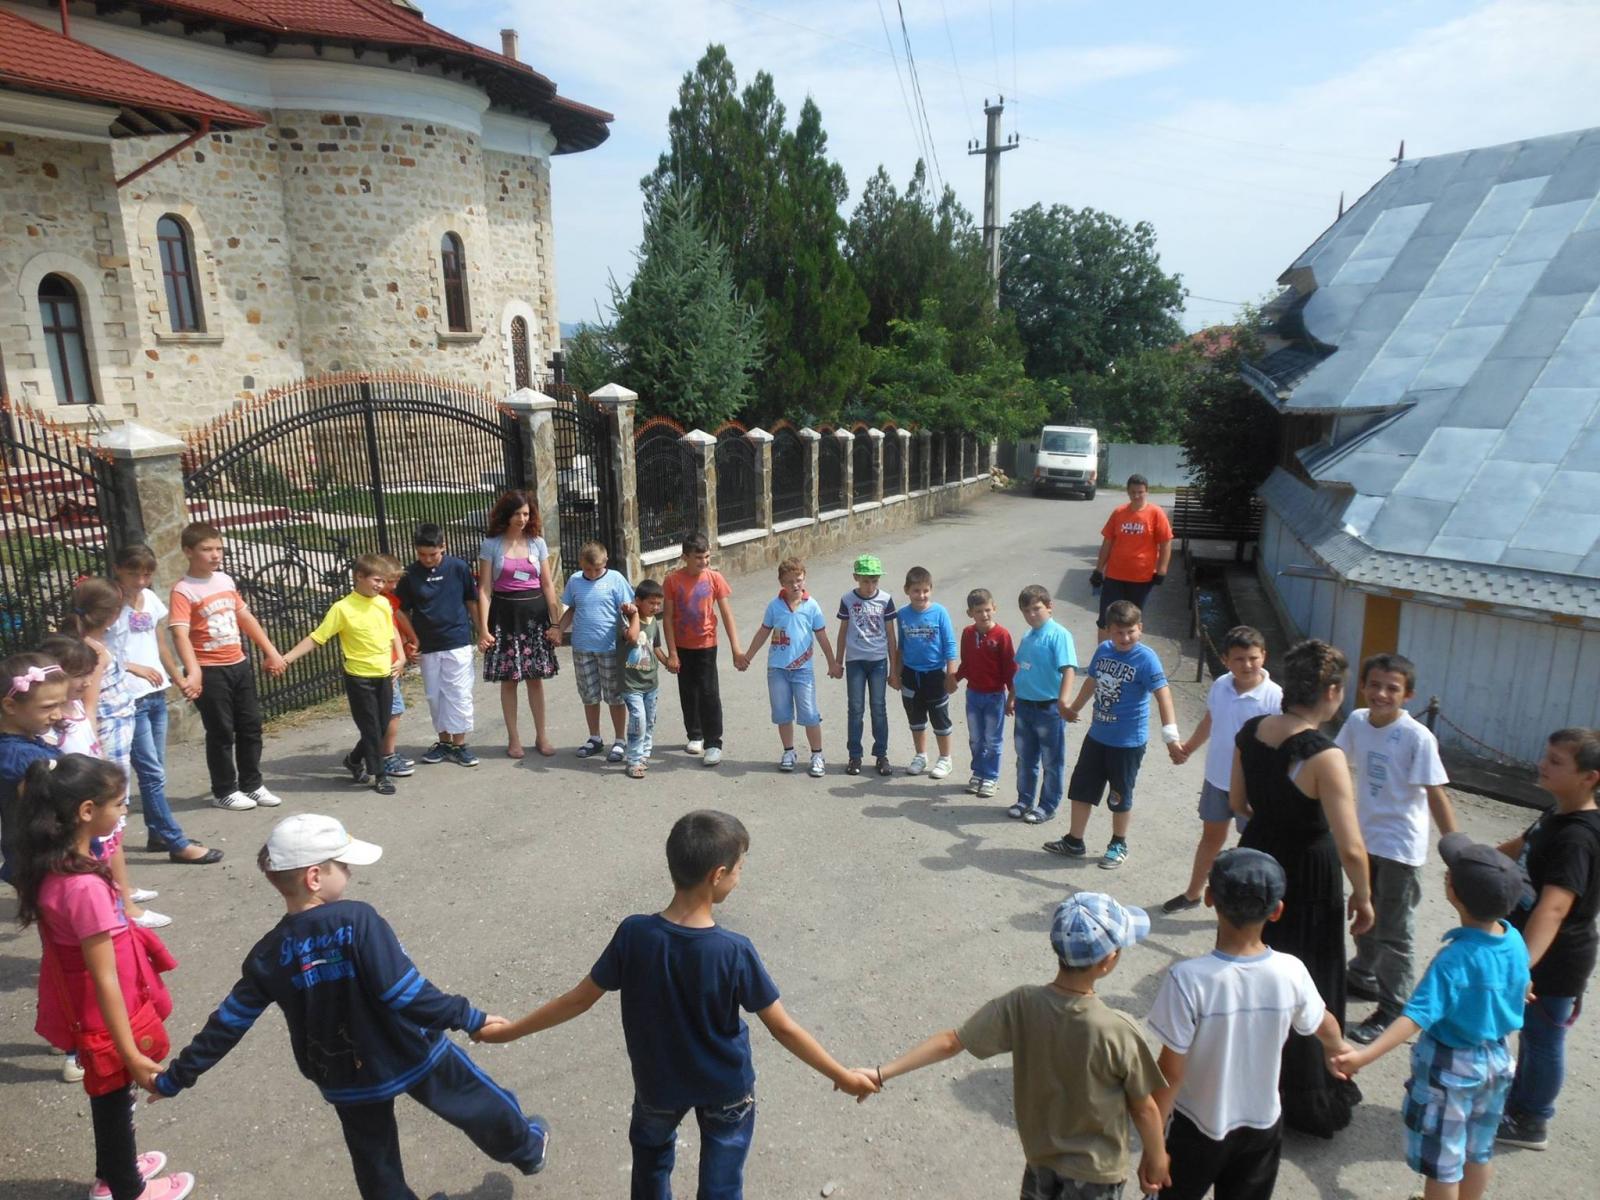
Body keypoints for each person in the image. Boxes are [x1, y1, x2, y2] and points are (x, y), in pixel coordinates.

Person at [473, 810, 877, 1198]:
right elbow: (783, 1028)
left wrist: (508, 1031)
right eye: (738, 869)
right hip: (727, 1090)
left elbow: (577, 1000)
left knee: (650, 1168)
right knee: (721, 1185)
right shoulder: (733, 951)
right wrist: (840, 1074)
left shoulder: (634, 934)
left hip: (657, 1086)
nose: (739, 878)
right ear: (717, 875)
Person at [149, 813, 549, 1199]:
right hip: (411, 1049)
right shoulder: (358, 919)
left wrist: (176, 1078)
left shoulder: (268, 954)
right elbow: (404, 993)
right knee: (474, 1100)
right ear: (314, 877)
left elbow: (228, 1023)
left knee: (374, 1160)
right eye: (342, 865)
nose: (350, 873)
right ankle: (527, 1148)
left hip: (340, 1073)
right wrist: (469, 1017)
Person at [864, 893, 1169, 1198]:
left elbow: (951, 1042)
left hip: (1040, 1160)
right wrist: (1157, 1160)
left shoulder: (1022, 1003)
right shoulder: (1119, 1029)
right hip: (1097, 1174)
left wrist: (881, 1073)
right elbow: (1144, 1109)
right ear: (1107, 961)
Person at [16, 754, 194, 1200]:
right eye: (119, 804)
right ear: (87, 812)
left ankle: (114, 1167)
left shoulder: (54, 867)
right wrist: (130, 1051)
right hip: (104, 1015)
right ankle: (125, 1188)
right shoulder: (83, 888)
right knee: (115, 1096)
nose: (124, 812)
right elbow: (104, 977)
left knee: (110, 1097)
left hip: (86, 1006)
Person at [1333, 835, 1530, 1200]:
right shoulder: (1514, 939)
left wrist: (1363, 1056)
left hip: (1452, 1068)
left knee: (1444, 1165)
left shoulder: (1454, 959)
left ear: (1452, 892)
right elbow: (1524, 979)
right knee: (1478, 1150)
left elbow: (1416, 1016)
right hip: (1498, 1060)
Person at [1149, 848, 1352, 1200]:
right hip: (1264, 1124)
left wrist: (1154, 1148)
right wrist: (1338, 1049)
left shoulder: (1188, 980)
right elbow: (1325, 1024)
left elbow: (1170, 1073)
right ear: (1277, 911)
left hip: (1197, 1124)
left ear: (1210, 898)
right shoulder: (1291, 971)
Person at [1232, 638, 1373, 1137]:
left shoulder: (1251, 731)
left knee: (1256, 971)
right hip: (1309, 873)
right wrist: (1364, 895)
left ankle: (1250, 1081)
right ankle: (1306, 1091)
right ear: (1332, 691)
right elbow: (1352, 845)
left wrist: (1273, 819)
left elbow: (1238, 801)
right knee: (1310, 976)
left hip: (1258, 857)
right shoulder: (1324, 755)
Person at [1336, 652, 1458, 1045]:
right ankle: (1363, 976)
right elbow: (1335, 763)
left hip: (1400, 848)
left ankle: (1393, 1008)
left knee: (1396, 931)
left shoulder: (1417, 737)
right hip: (1363, 840)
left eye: (1393, 688)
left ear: (1408, 695)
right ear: (1363, 686)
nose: (1382, 694)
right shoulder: (1357, 721)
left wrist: (1456, 848)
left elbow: (1435, 794)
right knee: (1363, 913)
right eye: (1375, 685)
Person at [1494, 727, 1600, 1152]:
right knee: (1531, 1036)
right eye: (1546, 755)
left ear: (1590, 777)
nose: (1543, 764)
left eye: (1557, 762)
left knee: (1542, 1038)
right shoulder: (1556, 814)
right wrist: (1473, 859)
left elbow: (1554, 908)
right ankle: (1519, 1101)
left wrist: (1523, 967)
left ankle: (1532, 1119)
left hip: (1555, 959)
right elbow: (1520, 846)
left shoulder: (1578, 837)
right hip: (1531, 947)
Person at [39, 633, 169, 930]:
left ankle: (125, 897)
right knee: (97, 855)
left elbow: (94, 700)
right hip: (79, 802)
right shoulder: (53, 722)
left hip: (98, 792)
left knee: (113, 844)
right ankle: (122, 908)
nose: (86, 681)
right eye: (78, 675)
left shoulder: (79, 706)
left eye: (88, 674)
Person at [168, 522, 286, 812]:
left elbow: (245, 618)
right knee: (221, 731)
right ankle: (224, 790)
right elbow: (179, 633)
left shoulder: (224, 581)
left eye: (218, 548)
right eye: (207, 549)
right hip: (210, 670)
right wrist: (193, 670)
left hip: (238, 664)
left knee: (251, 725)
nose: (215, 555)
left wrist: (271, 651)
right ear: (188, 551)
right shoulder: (183, 591)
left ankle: (252, 783)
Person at [112, 545, 220, 864]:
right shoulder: (109, 602)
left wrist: (178, 675)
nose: (142, 580)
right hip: (128, 696)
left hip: (154, 693)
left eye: (147, 573)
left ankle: (157, 833)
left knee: (155, 770)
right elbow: (94, 646)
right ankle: (175, 840)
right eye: (134, 573)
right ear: (118, 569)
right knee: (151, 771)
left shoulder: (149, 599)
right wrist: (133, 667)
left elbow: (159, 640)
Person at [1051, 601, 1178, 869]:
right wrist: (1073, 708)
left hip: (1128, 742)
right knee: (1082, 789)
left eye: (1131, 631)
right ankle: (1075, 841)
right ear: (1108, 631)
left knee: (1119, 795)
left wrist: (1171, 736)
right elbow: (1092, 681)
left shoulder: (1146, 658)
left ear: (1140, 629)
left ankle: (1118, 843)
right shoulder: (1104, 651)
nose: (1125, 638)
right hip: (1097, 736)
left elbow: (1163, 695)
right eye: (1118, 632)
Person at [1163, 626, 1281, 913]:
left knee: (1255, 849)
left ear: (1264, 656)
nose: (1247, 665)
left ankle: (1258, 905)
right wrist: (1188, 748)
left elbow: (1281, 746)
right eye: (1239, 659)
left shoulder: (1275, 698)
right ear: (1226, 659)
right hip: (1217, 779)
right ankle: (1193, 893)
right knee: (1211, 838)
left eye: (1253, 658)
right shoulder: (1221, 685)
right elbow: (1210, 720)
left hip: (1254, 787)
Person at [280, 555, 405, 795]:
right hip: (359, 677)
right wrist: (287, 658)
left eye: (383, 581)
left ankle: (353, 760)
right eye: (376, 580)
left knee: (380, 726)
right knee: (370, 727)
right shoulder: (342, 608)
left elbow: (391, 633)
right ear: (359, 576)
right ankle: (379, 775)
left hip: (384, 675)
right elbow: (317, 638)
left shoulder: (382, 603)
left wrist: (400, 657)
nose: (380, 586)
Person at [475, 491, 560, 759]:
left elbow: (547, 584)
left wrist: (555, 622)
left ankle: (542, 735)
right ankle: (514, 739)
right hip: (505, 617)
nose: (522, 519)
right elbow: (485, 588)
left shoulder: (537, 543)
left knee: (535, 679)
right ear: (505, 514)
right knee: (509, 680)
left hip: (535, 618)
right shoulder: (491, 544)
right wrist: (484, 629)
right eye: (517, 514)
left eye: (526, 513)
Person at [738, 557, 838, 777]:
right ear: (781, 583)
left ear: (805, 579)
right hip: (777, 670)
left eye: (798, 580)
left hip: (803, 670)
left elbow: (822, 636)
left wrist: (832, 662)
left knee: (810, 714)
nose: (795, 585)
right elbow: (763, 632)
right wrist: (748, 656)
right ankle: (789, 752)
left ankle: (817, 755)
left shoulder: (812, 606)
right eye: (789, 581)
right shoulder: (774, 606)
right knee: (782, 714)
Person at [396, 523, 480, 768]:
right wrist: (411, 638)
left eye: (433, 554)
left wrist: (482, 630)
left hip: (457, 640)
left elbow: (471, 600)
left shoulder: (458, 568)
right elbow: (401, 610)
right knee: (435, 696)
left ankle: (460, 744)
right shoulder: (410, 575)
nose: (428, 559)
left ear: (443, 547)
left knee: (459, 693)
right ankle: (443, 742)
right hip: (428, 645)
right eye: (422, 555)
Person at [662, 532, 741, 767]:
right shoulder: (672, 581)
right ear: (685, 557)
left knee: (709, 692)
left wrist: (736, 649)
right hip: (683, 646)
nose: (704, 562)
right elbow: (667, 619)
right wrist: (672, 652)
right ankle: (694, 735)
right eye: (698, 557)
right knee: (688, 692)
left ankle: (713, 742)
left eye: (706, 556)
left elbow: (727, 614)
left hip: (706, 645)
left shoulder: (714, 579)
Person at [552, 541, 634, 762]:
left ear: (605, 562)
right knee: (589, 694)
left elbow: (629, 609)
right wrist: (558, 628)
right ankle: (595, 738)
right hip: (582, 647)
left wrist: (631, 628)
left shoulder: (615, 579)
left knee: (615, 695)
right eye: (588, 569)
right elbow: (571, 609)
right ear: (580, 565)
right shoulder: (575, 581)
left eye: (597, 569)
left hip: (610, 647)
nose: (592, 573)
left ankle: (619, 740)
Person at [1009, 585, 1077, 825]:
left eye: (1036, 609)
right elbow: (1021, 669)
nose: (1032, 615)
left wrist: (1063, 701)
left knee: (1051, 760)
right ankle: (1024, 799)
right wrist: (1012, 696)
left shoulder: (1059, 635)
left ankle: (1047, 805)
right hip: (1025, 706)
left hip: (1048, 708)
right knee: (1025, 757)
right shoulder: (1028, 636)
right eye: (1026, 611)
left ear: (1049, 607)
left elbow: (1068, 669)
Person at [0, 651, 68, 885]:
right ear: (10, 706)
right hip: (43, 860)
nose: (58, 714)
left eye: (61, 704)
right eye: (48, 707)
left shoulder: (27, 745)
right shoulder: (20, 757)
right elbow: (43, 809)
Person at [831, 553, 899, 777]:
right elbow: (842, 632)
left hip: (878, 660)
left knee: (879, 708)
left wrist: (894, 669)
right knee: (856, 709)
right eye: (865, 581)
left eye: (874, 581)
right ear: (856, 578)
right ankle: (855, 755)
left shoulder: (885, 599)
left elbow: (891, 634)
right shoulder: (848, 599)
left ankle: (881, 754)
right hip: (855, 661)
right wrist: (837, 662)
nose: (870, 586)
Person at [894, 565, 958, 779]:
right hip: (911, 676)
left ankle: (945, 758)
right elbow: (901, 647)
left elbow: (949, 644)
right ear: (907, 590)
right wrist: (896, 673)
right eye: (916, 591)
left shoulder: (939, 612)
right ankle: (920, 755)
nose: (921, 595)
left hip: (935, 676)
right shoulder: (902, 614)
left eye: (925, 590)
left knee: (940, 718)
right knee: (916, 719)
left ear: (931, 589)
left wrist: (951, 674)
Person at [1088, 475, 1172, 632]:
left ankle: (1129, 655)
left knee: (1132, 622)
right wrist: (1099, 569)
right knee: (1106, 620)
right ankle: (1103, 654)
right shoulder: (1119, 513)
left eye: (1140, 492)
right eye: (1133, 492)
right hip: (1115, 576)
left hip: (1141, 578)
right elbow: (1107, 542)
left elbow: (1166, 543)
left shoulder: (1156, 513)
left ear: (1147, 491)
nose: (1136, 496)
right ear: (1127, 492)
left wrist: (1162, 570)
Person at [954, 588, 1016, 801]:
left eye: (988, 610)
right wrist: (954, 679)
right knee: (976, 738)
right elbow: (967, 663)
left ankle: (990, 776)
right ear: (970, 613)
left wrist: (1011, 697)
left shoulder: (1002, 635)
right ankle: (978, 772)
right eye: (978, 611)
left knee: (992, 739)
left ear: (994, 608)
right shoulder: (968, 634)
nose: (984, 615)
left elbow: (1010, 669)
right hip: (973, 695)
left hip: (994, 697)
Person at [620, 580, 670, 780]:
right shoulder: (626, 619)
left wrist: (668, 662)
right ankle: (633, 760)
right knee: (638, 720)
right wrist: (633, 614)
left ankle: (644, 754)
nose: (656, 608)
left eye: (658, 604)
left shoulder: (653, 623)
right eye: (651, 603)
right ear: (638, 601)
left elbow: (655, 647)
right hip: (631, 683)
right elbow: (631, 638)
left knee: (649, 720)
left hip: (651, 683)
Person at [374, 555, 416, 781]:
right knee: (393, 709)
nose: (394, 586)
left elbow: (399, 617)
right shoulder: (378, 602)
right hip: (385, 664)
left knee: (391, 709)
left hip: (393, 661)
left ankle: (383, 751)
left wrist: (411, 638)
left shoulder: (388, 599)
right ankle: (386, 755)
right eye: (391, 581)